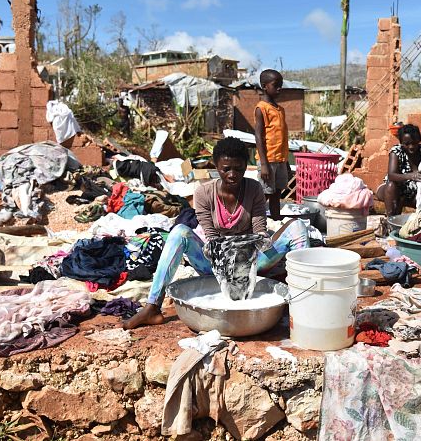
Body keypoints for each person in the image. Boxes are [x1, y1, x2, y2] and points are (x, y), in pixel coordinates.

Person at [123, 136, 309, 329]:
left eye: (238, 168)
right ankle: (152, 306)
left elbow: (259, 227)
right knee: (179, 232)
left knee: (297, 227)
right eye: (226, 169)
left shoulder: (254, 189)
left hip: (252, 264)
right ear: (216, 166)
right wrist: (228, 258)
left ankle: (304, 302)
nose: (232, 174)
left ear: (246, 167)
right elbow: (211, 238)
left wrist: (259, 243)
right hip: (216, 265)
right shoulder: (204, 193)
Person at [376, 124, 421, 216]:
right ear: (401, 142)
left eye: (414, 143)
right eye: (407, 144)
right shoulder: (396, 151)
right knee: (391, 185)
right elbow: (391, 175)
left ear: (419, 140)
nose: (411, 147)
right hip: (396, 190)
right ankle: (391, 221)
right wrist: (411, 176)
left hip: (416, 192)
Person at [254, 69, 289, 220]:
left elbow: (281, 138)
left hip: (280, 159)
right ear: (264, 86)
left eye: (281, 85)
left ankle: (275, 220)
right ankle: (256, 222)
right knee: (265, 194)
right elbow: (259, 137)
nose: (279, 88)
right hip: (268, 160)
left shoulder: (280, 109)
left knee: (277, 193)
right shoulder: (261, 109)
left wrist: (286, 162)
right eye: (276, 85)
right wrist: (264, 163)